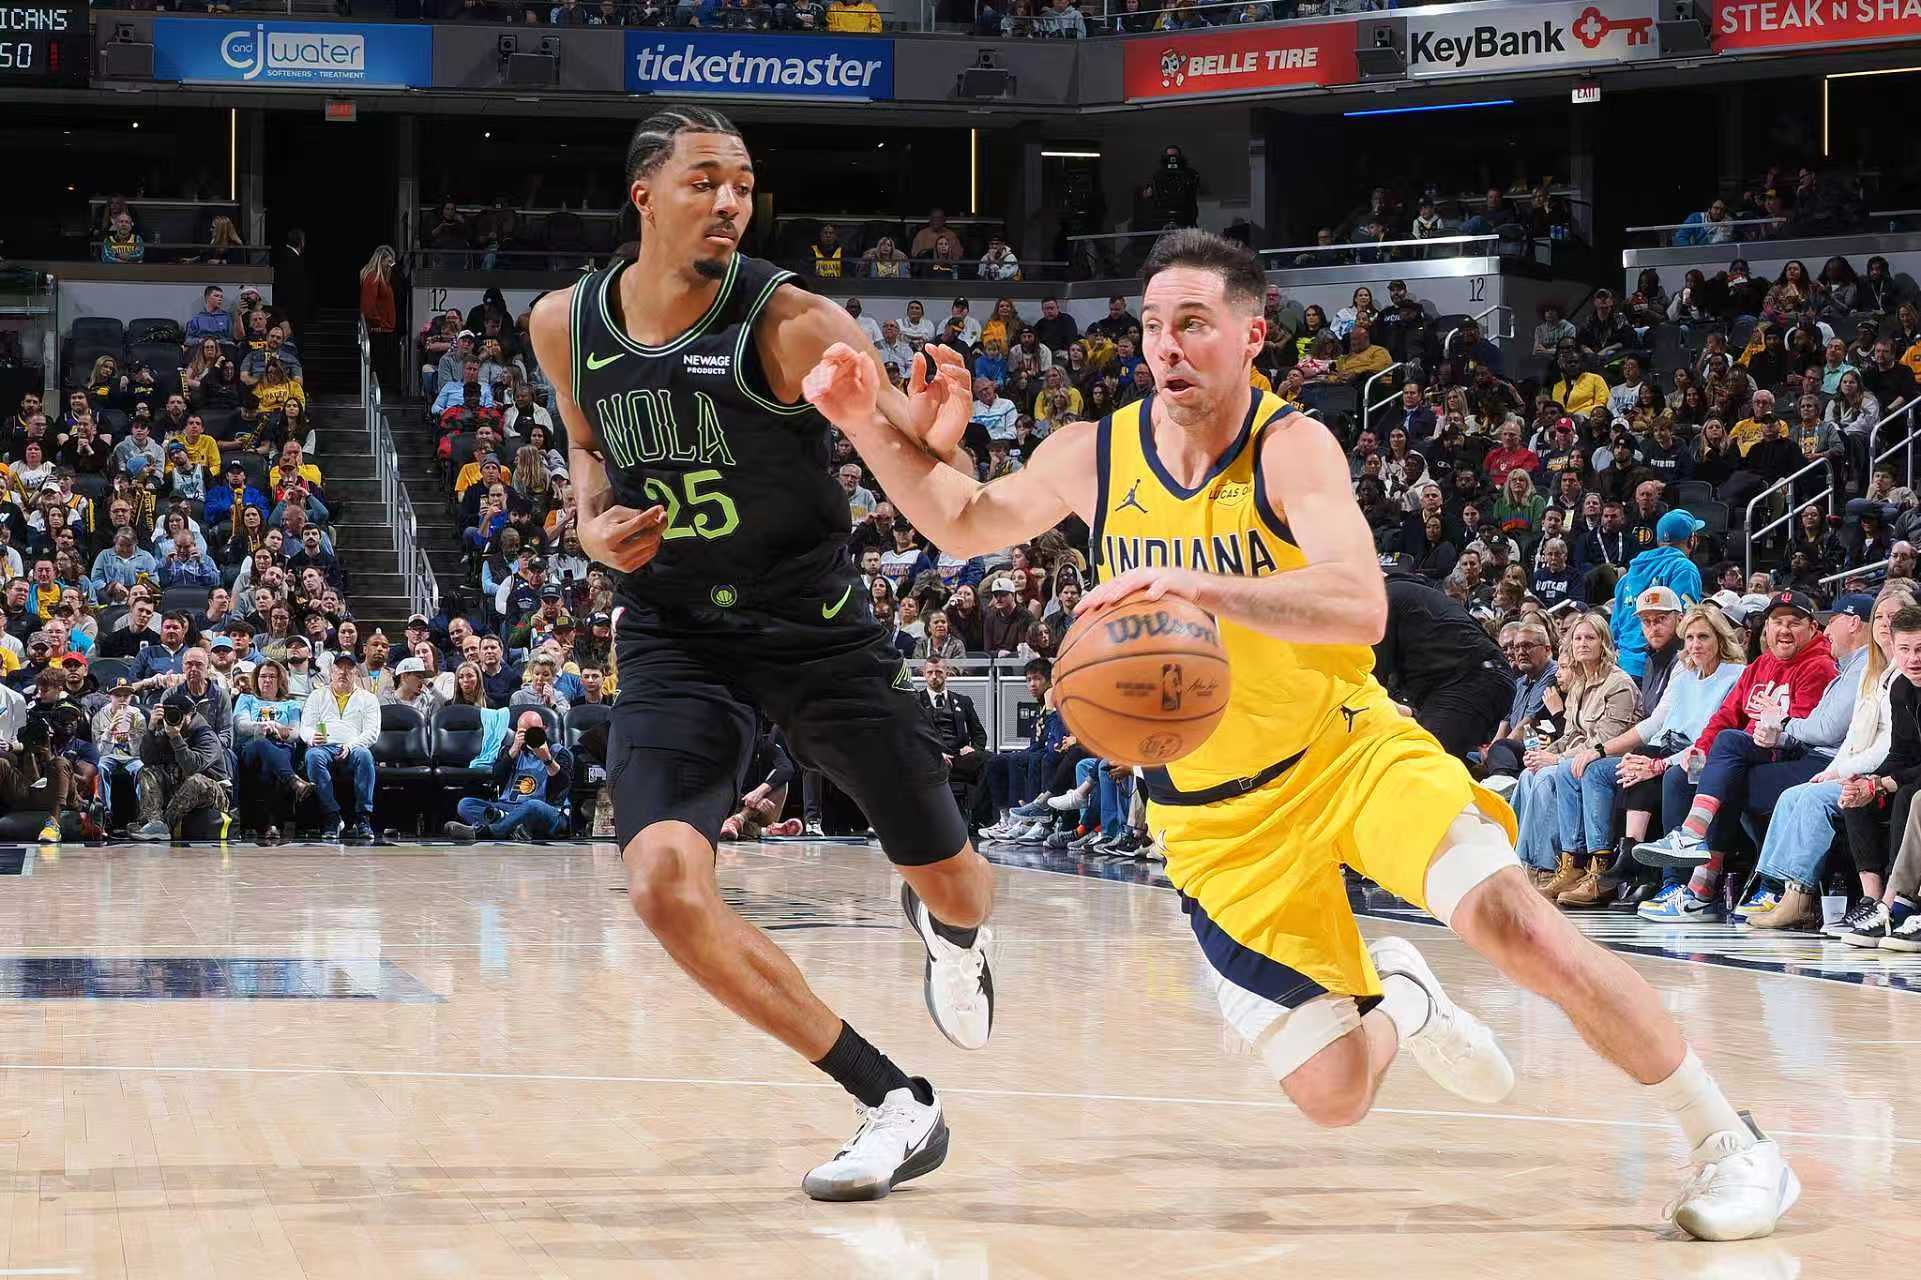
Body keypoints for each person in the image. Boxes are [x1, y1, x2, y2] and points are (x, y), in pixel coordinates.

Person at [803, 227, 1797, 1240]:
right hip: (1211, 819)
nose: (1167, 344)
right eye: (1152, 325)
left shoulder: (1290, 445)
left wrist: (1198, 586)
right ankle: (1399, 995)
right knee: (1333, 1094)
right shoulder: (1094, 452)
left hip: (1343, 750)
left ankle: (1731, 1141)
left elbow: (1358, 603)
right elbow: (964, 518)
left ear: (1250, 335)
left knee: (1517, 924)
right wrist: (862, 422)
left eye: (1194, 323)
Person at [524, 107, 996, 1201]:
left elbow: (921, 455)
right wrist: (590, 527)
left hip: (813, 629)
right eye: (704, 181)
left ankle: (949, 926)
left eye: (741, 184)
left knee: (962, 886)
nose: (730, 201)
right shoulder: (564, 323)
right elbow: (585, 446)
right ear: (644, 194)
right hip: (676, 631)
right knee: (662, 883)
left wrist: (941, 431)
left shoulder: (789, 320)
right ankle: (895, 1100)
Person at [1373, 555, 1512, 759]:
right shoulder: (1414, 593)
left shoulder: (1385, 599)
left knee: (1425, 759)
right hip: (1475, 677)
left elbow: (1372, 681)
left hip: (1471, 679)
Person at [445, 709, 574, 841]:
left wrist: (547, 759)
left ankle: (487, 832)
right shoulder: (510, 750)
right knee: (465, 804)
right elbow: (495, 778)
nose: (531, 736)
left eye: (535, 731)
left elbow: (563, 786)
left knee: (533, 805)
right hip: (509, 806)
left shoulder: (559, 752)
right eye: (525, 732)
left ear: (544, 729)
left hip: (545, 809)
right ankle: (513, 827)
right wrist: (513, 751)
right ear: (517, 732)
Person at [130, 686, 232, 841]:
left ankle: (163, 826)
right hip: (179, 789)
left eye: (178, 715)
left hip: (215, 793)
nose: (173, 720)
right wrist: (150, 730)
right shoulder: (165, 730)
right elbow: (148, 759)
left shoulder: (207, 736)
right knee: (148, 771)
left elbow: (192, 767)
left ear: (191, 714)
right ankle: (153, 821)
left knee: (196, 781)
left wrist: (176, 738)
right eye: (169, 715)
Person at [300, 651, 381, 842]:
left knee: (365, 755)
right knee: (312, 756)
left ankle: (363, 817)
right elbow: (305, 726)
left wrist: (350, 746)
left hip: (354, 745)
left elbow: (372, 732)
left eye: (349, 669)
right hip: (324, 745)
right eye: (339, 668)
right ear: (331, 671)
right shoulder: (317, 695)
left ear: (356, 673)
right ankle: (332, 816)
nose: (343, 673)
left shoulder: (369, 698)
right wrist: (311, 737)